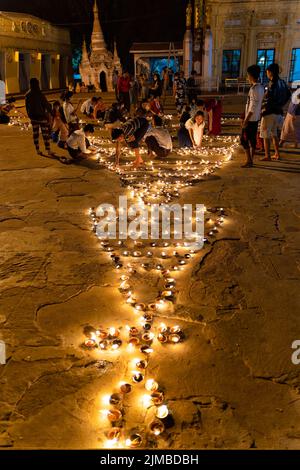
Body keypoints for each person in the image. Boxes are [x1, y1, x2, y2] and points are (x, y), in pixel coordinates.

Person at [260, 63, 291, 161]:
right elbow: (288, 95)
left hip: (269, 112)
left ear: (271, 72)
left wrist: (263, 106)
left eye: (267, 72)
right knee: (274, 134)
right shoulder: (282, 82)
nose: (267, 74)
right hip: (278, 112)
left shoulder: (272, 83)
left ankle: (267, 155)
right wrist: (281, 104)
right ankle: (277, 154)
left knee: (265, 134)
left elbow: (269, 98)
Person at [240, 64, 265, 167]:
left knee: (244, 139)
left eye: (247, 75)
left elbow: (252, 106)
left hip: (250, 119)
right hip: (255, 118)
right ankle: (251, 160)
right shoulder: (260, 87)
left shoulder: (254, 89)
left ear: (250, 75)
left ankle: (249, 160)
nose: (247, 77)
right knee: (252, 139)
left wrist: (246, 120)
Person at [25, 78, 53, 156]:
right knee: (45, 134)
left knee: (35, 134)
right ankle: (48, 150)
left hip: (33, 118)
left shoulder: (27, 94)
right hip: (41, 117)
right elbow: (46, 105)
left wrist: (29, 115)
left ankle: (37, 150)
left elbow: (27, 107)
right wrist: (52, 112)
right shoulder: (40, 94)